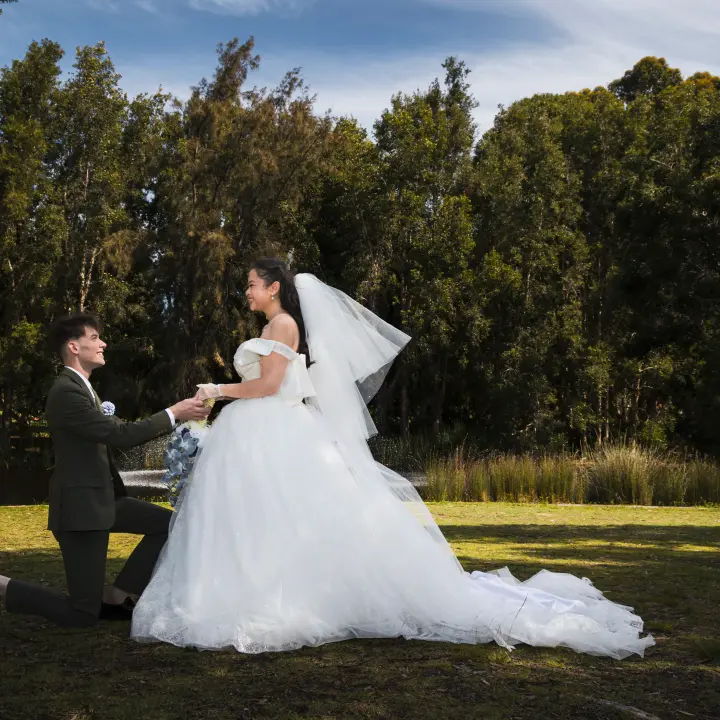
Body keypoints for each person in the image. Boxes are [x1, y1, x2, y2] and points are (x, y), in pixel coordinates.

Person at [131, 259, 654, 659]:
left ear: (273, 287)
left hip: (270, 427)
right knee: (261, 517)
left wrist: (217, 390)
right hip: (260, 430)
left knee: (276, 512)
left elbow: (268, 386)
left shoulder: (283, 325)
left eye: (251, 283)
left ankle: (277, 595)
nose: (245, 290)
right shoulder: (274, 328)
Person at [0, 314, 209, 627]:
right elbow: (119, 435)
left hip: (104, 500)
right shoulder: (66, 392)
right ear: (74, 346)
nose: (103, 343)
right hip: (80, 510)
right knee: (82, 615)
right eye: (95, 337)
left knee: (169, 525)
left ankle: (117, 596)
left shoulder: (82, 388)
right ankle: (4, 586)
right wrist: (174, 413)